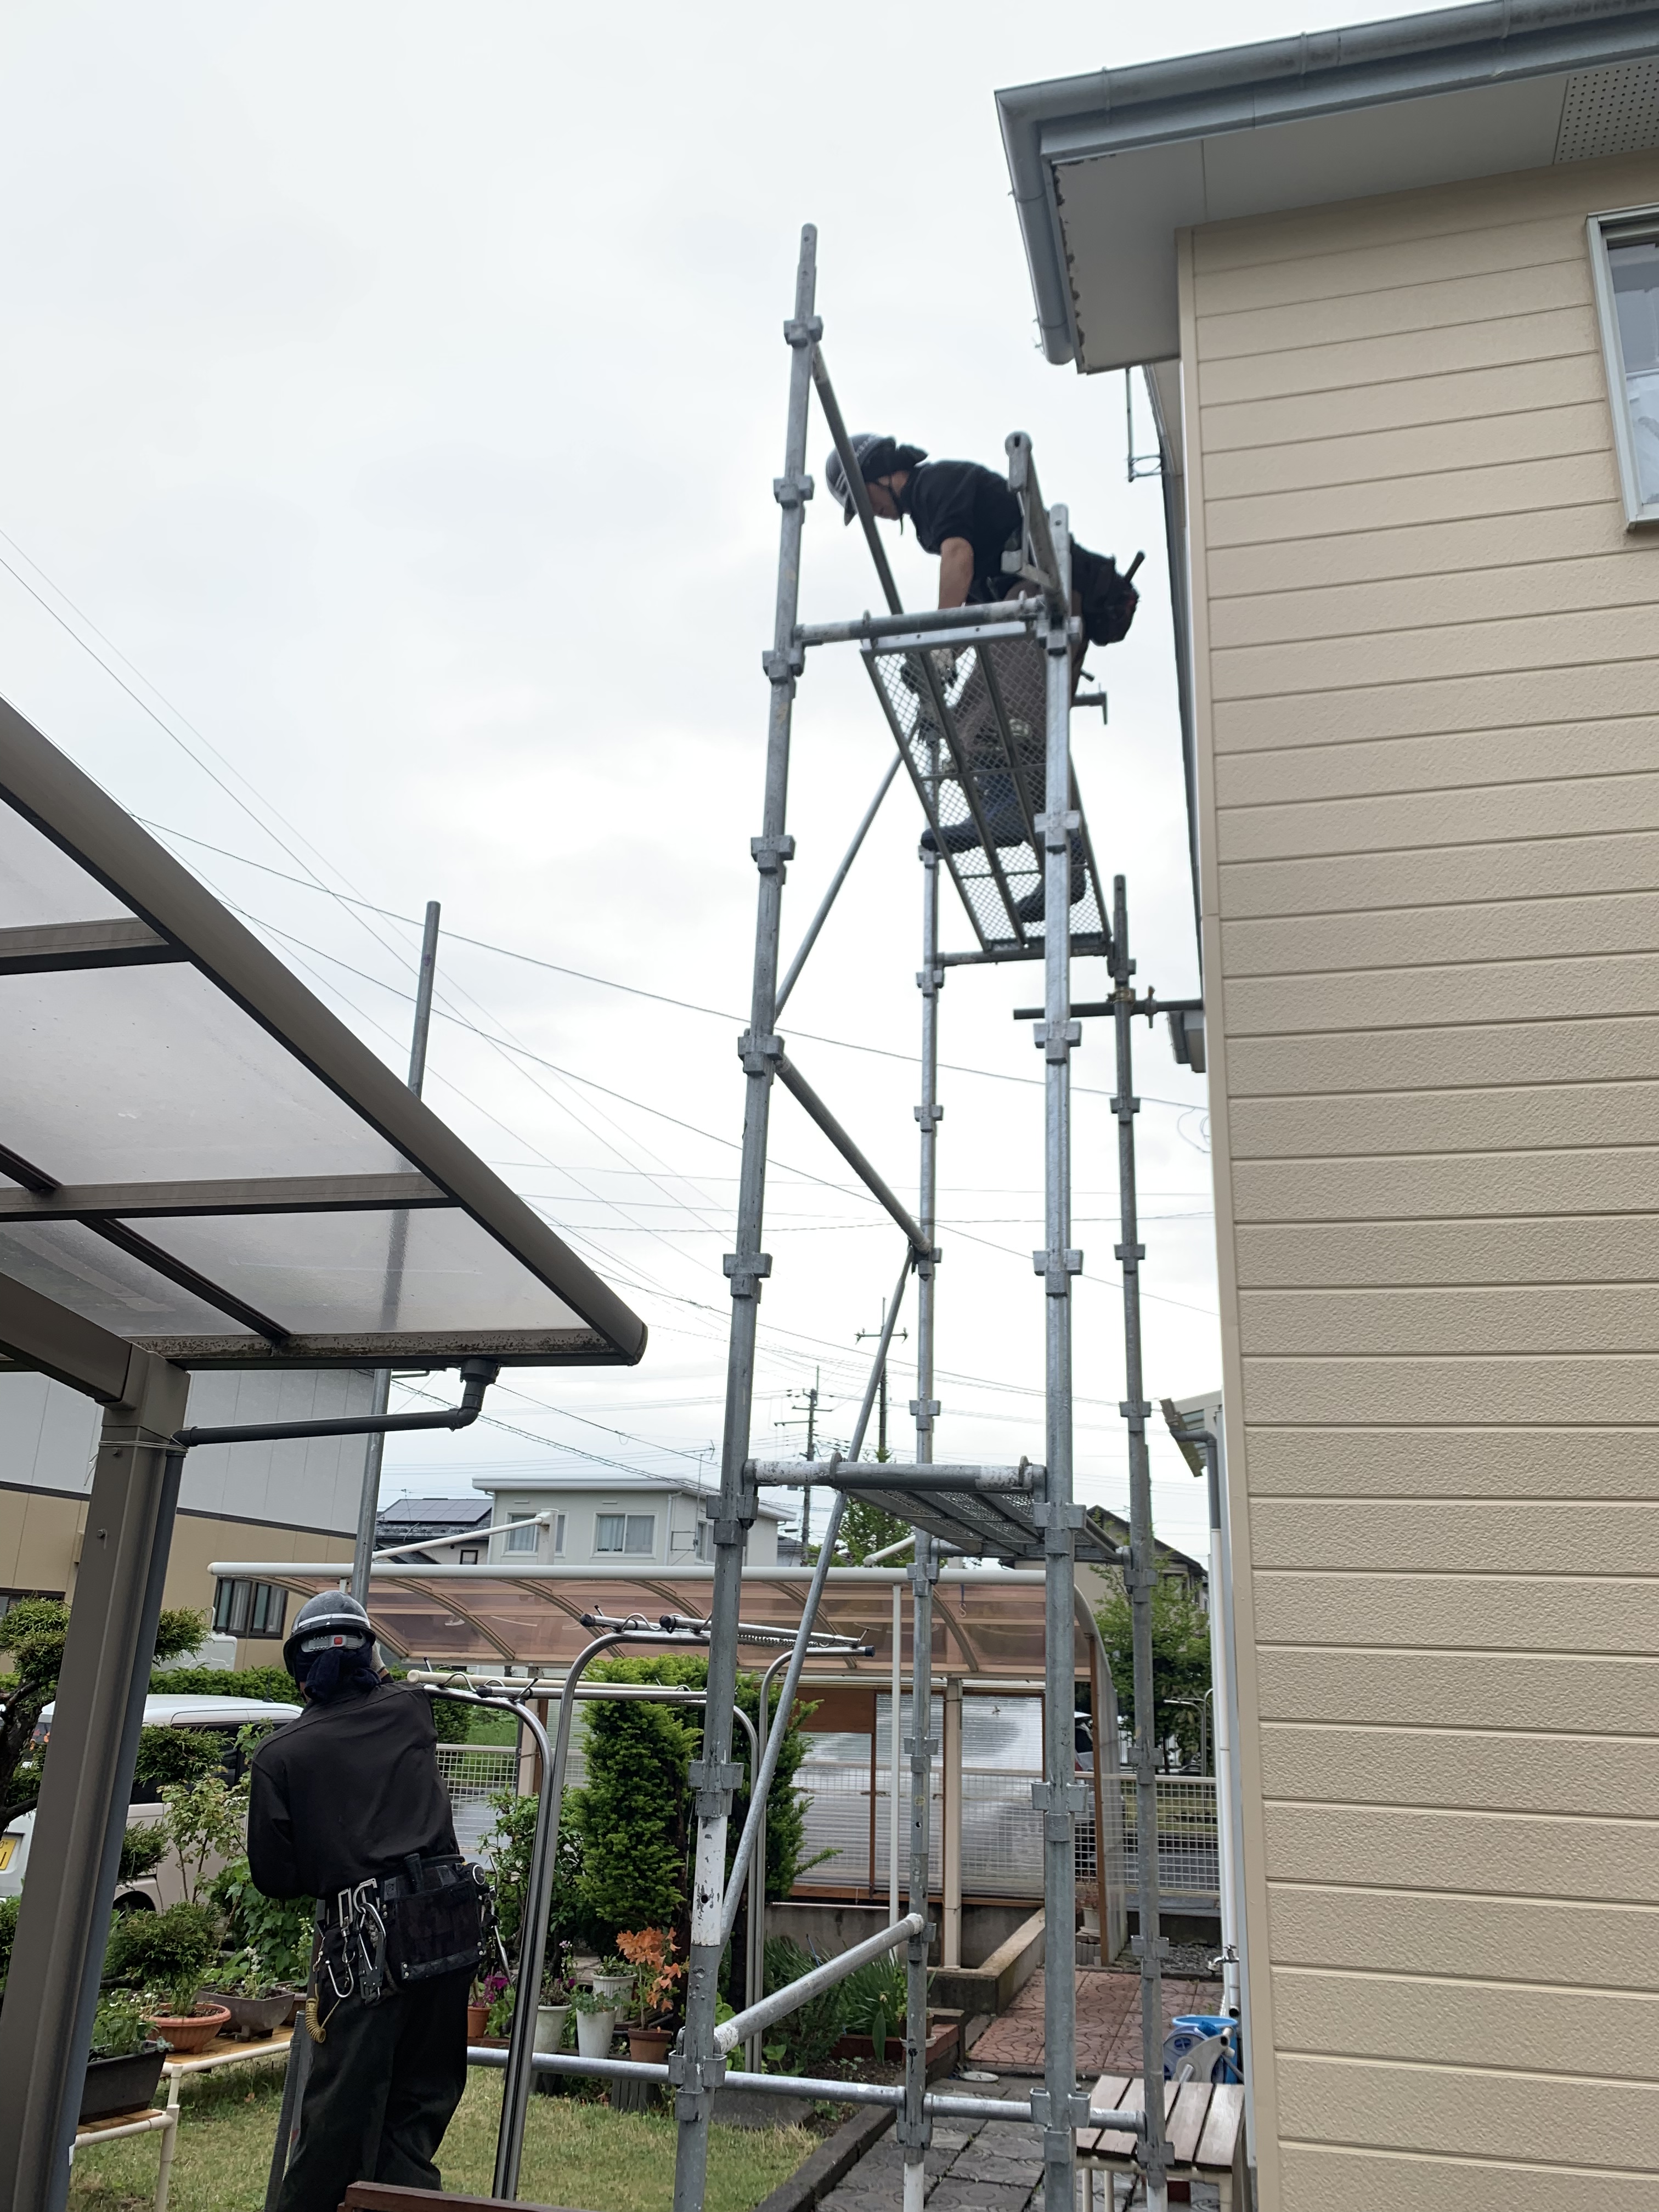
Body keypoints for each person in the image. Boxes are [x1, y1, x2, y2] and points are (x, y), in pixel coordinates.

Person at [825, 436, 1139, 918]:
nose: (875, 514)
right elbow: (977, 605)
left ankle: (1002, 816)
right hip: (1035, 604)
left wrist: (938, 649)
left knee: (996, 714)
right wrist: (944, 669)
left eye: (865, 498)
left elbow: (960, 560)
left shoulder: (933, 488)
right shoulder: (935, 504)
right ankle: (1063, 869)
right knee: (1002, 727)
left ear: (884, 474)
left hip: (1042, 599)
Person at [250, 1592, 480, 2212]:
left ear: (298, 1669)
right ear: (370, 1653)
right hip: (446, 1928)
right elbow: (386, 1685)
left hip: (362, 1940)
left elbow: (274, 1876)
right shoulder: (411, 1709)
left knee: (337, 2124)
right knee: (417, 2110)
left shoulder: (280, 1756)